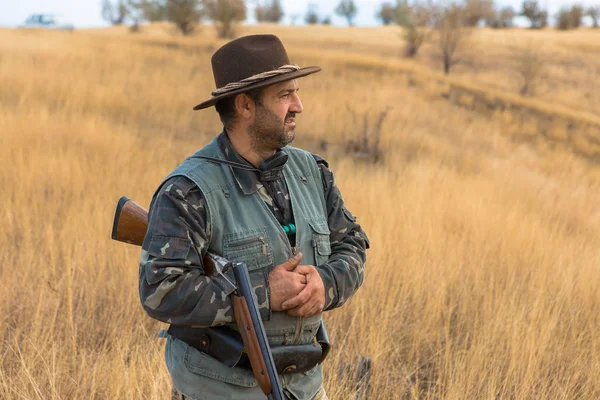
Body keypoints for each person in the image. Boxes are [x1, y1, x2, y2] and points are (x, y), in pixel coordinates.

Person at [138, 34, 370, 400]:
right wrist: (264, 294)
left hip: (305, 387)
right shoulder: (188, 190)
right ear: (245, 105)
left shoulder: (312, 172)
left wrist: (325, 283)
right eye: (284, 95)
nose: (298, 105)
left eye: (296, 92)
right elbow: (160, 292)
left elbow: (353, 244)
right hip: (219, 389)